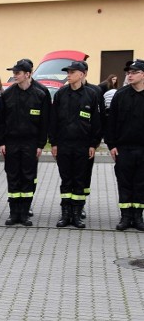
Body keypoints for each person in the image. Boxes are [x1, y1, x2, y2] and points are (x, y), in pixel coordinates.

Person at [49, 61, 103, 229]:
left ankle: (77, 214)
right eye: (68, 72)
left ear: (82, 74)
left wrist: (93, 144)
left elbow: (97, 122)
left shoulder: (91, 95)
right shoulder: (61, 94)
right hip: (64, 145)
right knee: (66, 180)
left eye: (72, 72)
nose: (69, 74)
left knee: (79, 180)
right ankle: (65, 214)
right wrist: (54, 143)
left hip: (83, 145)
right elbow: (53, 121)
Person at [0, 59, 50, 226]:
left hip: (31, 143)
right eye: (14, 73)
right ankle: (14, 213)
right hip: (11, 142)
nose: (15, 76)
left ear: (28, 74)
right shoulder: (8, 94)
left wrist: (40, 145)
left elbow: (45, 122)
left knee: (27, 177)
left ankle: (25, 212)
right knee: (13, 177)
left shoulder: (40, 94)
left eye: (18, 73)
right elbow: (0, 121)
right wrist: (1, 143)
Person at [106, 59, 144, 231]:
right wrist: (111, 145)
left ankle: (138, 217)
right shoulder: (120, 95)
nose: (129, 75)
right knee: (124, 183)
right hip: (124, 148)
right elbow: (111, 122)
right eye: (128, 72)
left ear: (143, 74)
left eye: (133, 72)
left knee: (140, 184)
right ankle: (125, 217)